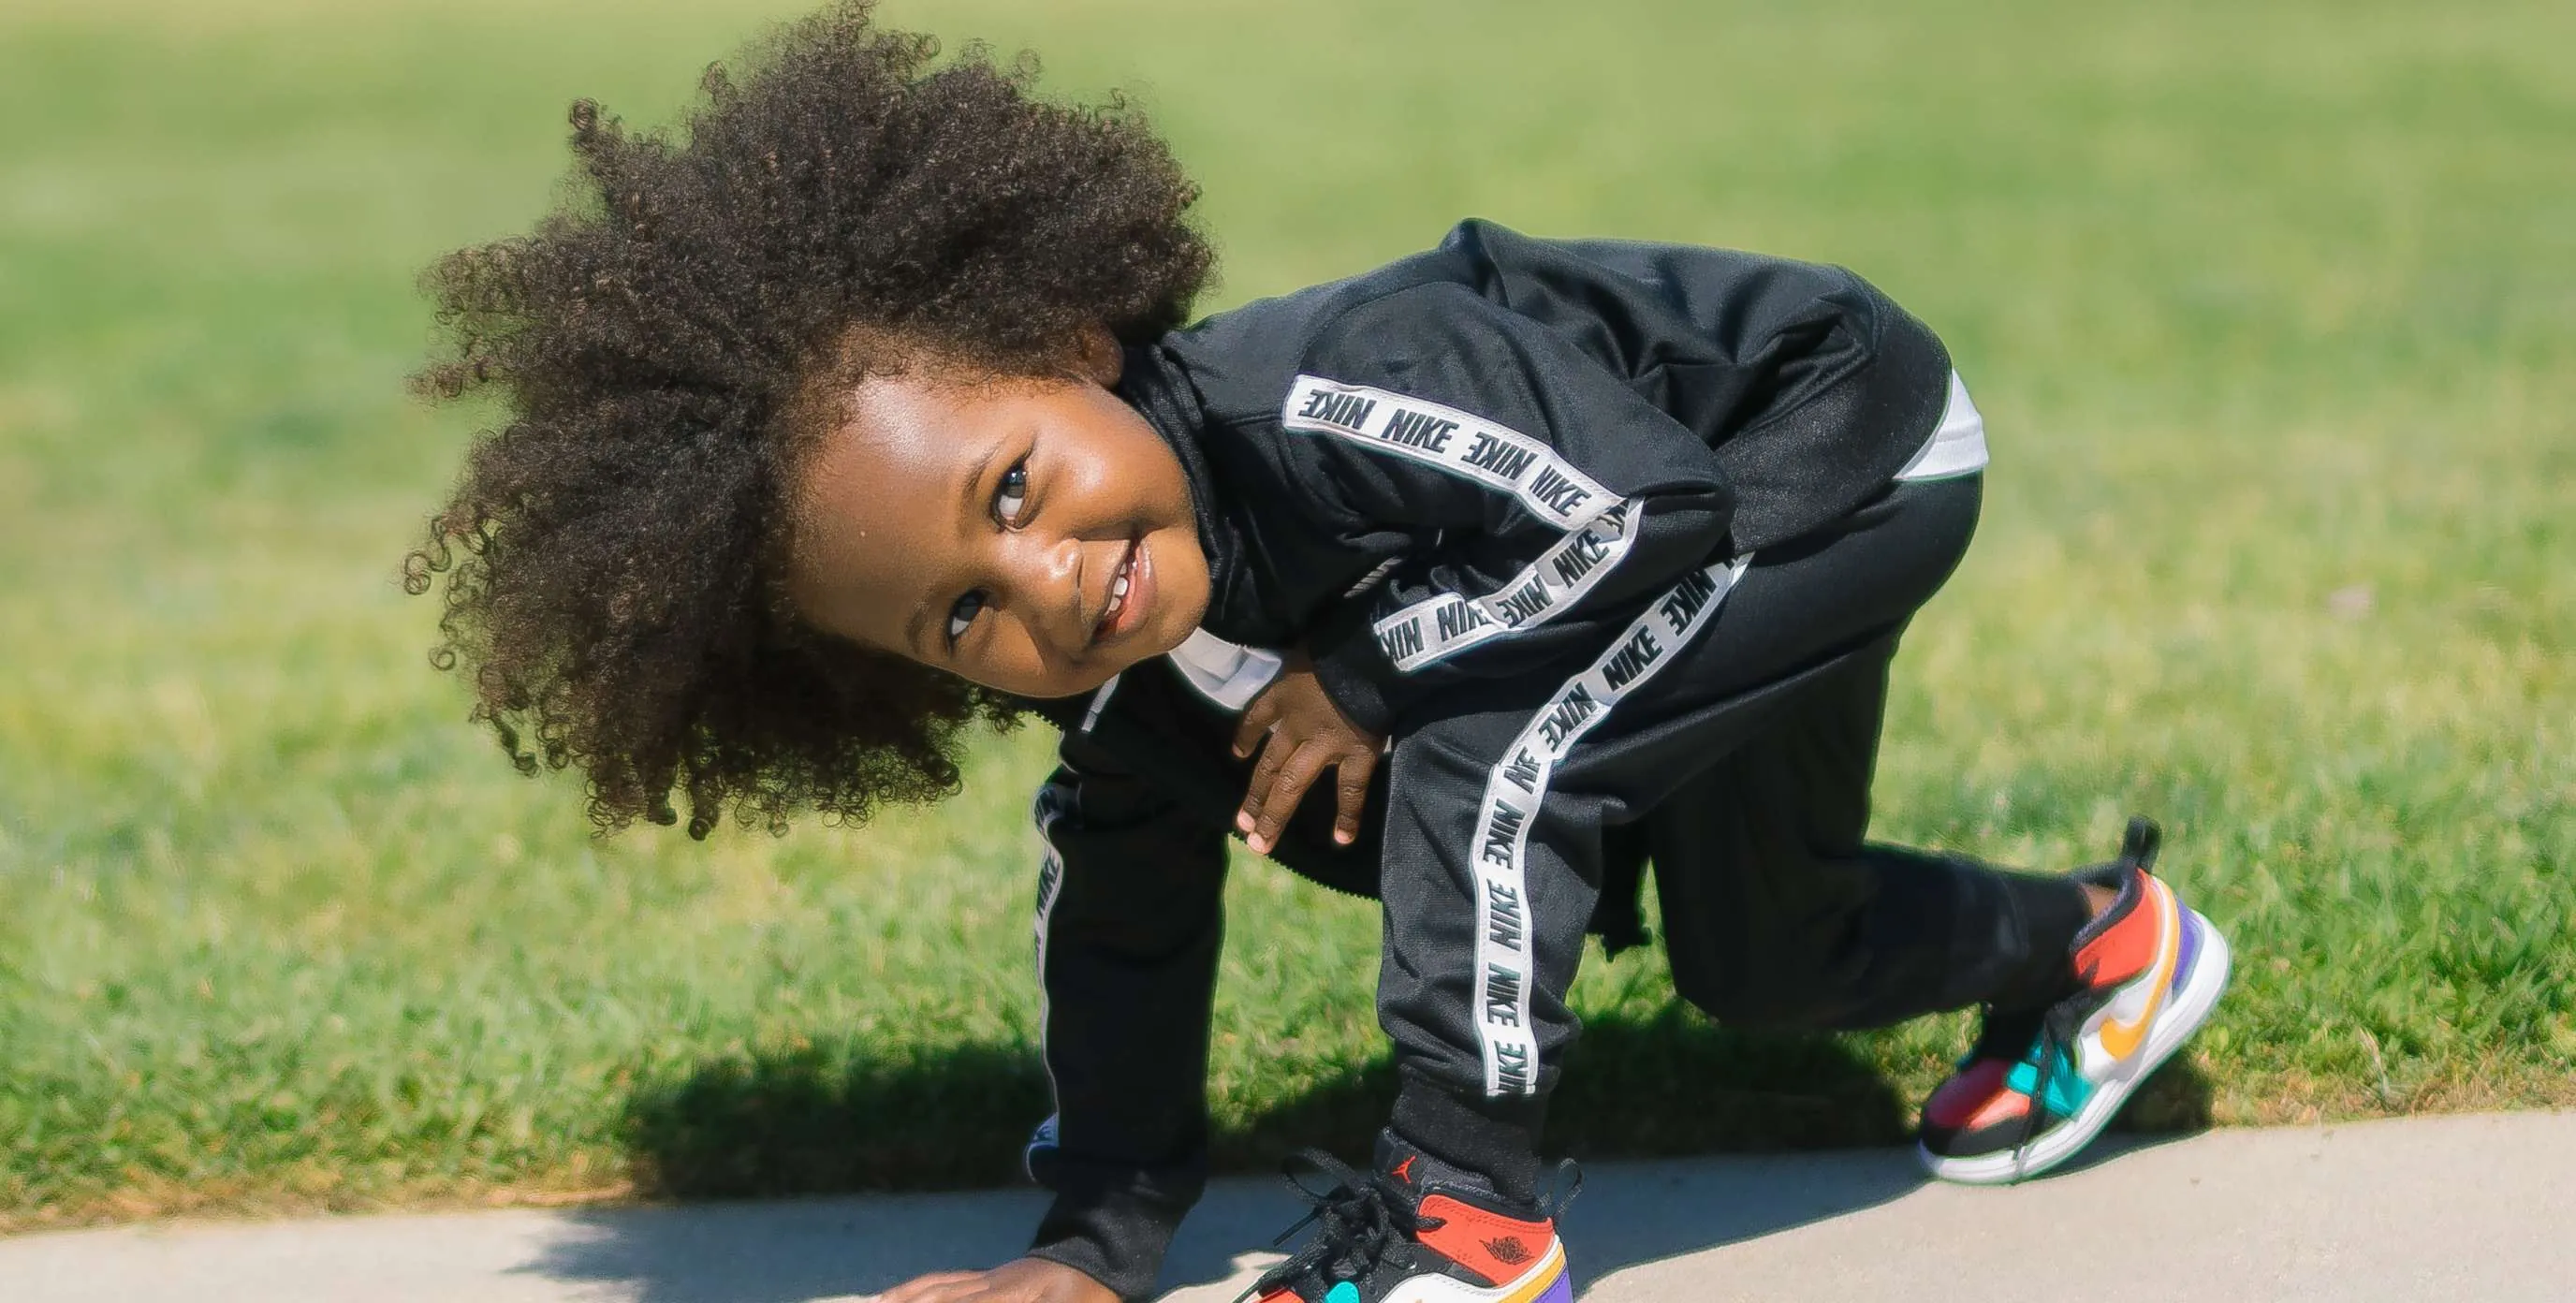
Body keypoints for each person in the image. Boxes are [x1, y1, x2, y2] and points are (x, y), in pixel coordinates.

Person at [405, 6, 2232, 1302]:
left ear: (1069, 340)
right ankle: (2099, 948)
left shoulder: (1326, 391)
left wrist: (1365, 673)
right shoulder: (1127, 696)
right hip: (1678, 535)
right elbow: (1117, 939)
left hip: (1827, 447)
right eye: (962, 614)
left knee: (1471, 740)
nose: (1046, 584)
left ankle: (1466, 1221)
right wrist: (1088, 1255)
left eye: (1019, 483)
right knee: (1767, 947)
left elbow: (1636, 513)